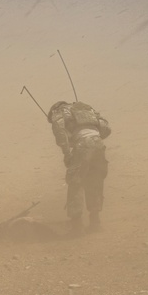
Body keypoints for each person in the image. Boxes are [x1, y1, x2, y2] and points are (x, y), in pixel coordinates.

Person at [48, 100, 111, 233]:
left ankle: (76, 225)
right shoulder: (86, 108)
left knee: (75, 182)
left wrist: (67, 153)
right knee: (95, 181)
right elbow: (106, 129)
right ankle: (95, 222)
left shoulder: (58, 112)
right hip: (99, 143)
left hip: (83, 145)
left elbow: (60, 133)